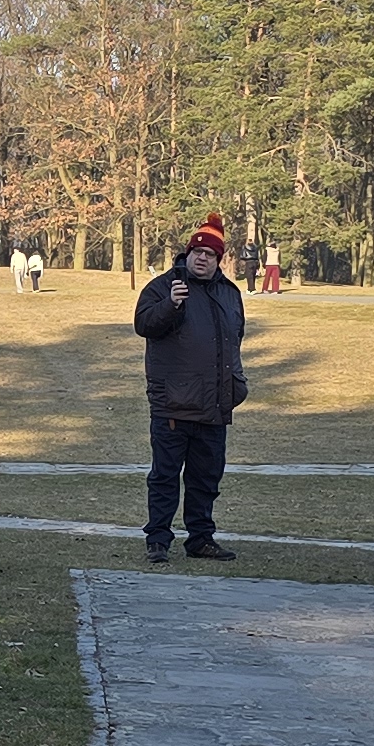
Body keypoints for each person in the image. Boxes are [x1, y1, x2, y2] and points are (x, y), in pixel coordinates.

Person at [133, 216, 245, 565]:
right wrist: (171, 304)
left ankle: (201, 539)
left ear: (219, 259)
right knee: (164, 477)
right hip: (173, 404)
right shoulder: (163, 287)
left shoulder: (229, 294)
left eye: (209, 254)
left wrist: (237, 384)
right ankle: (158, 540)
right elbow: (144, 324)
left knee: (206, 478)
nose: (202, 258)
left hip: (214, 405)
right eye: (197, 252)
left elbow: (234, 341)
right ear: (187, 253)